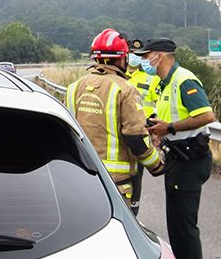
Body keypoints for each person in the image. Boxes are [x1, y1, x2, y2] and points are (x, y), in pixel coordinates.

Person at [141, 38, 219, 259]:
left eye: (146, 55)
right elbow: (161, 114)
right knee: (176, 223)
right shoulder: (162, 82)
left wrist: (170, 128)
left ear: (159, 56)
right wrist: (157, 129)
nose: (143, 61)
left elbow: (207, 115)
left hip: (190, 160)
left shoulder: (183, 80)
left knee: (184, 225)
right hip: (177, 157)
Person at [65, 29, 164, 218]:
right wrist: (157, 165)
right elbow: (136, 138)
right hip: (115, 184)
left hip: (81, 177)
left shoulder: (74, 88)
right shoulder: (125, 90)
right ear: (121, 59)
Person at [125, 39, 159, 214]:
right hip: (120, 130)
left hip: (142, 131)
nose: (134, 58)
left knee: (137, 174)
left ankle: (134, 211)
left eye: (138, 55)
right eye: (131, 53)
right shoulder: (119, 76)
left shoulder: (151, 79)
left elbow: (158, 105)